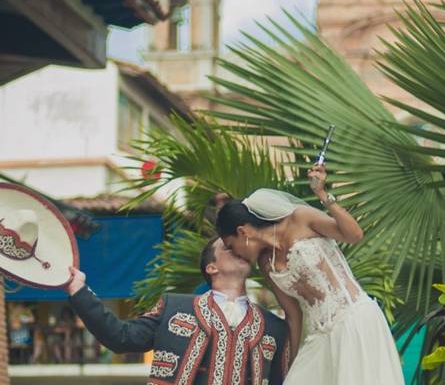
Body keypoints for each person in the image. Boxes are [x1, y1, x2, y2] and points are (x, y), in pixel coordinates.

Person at [216, 163, 404, 384]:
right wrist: (293, 362)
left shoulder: (300, 219)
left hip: (352, 321)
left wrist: (322, 194)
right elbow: (293, 315)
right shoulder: (266, 263)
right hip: (317, 339)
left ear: (242, 232)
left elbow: (354, 235)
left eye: (230, 245)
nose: (233, 252)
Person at [65, 237, 289, 384]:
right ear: (212, 267)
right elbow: (120, 337)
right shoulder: (173, 307)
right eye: (228, 247)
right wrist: (79, 291)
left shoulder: (275, 326)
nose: (238, 247)